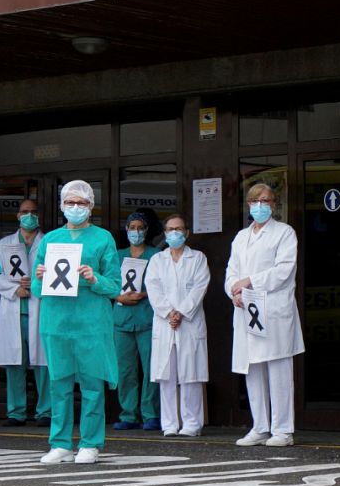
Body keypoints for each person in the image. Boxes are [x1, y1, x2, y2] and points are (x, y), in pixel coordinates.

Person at [31, 180, 122, 463]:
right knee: (59, 382)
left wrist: (95, 279)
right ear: (61, 206)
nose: (75, 208)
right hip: (57, 320)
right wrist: (39, 276)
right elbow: (36, 290)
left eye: (81, 203)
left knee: (92, 383)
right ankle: (59, 443)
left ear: (91, 206)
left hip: (91, 319)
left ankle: (90, 442)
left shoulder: (102, 238)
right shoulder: (49, 240)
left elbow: (115, 286)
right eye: (70, 203)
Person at [227, 181, 305, 447]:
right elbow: (231, 272)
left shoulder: (284, 233)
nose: (261, 205)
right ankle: (259, 426)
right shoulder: (240, 237)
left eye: (266, 201)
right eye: (255, 201)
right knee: (253, 369)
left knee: (278, 370)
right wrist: (234, 292)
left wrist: (249, 281)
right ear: (249, 205)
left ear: (274, 205)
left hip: (273, 310)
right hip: (248, 309)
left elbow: (283, 271)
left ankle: (282, 429)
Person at [146, 214, 211, 437]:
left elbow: (199, 288)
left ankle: (192, 423)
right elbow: (153, 290)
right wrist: (168, 313)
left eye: (179, 229)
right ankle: (170, 424)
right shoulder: (157, 260)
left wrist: (181, 312)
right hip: (165, 324)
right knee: (167, 375)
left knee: (190, 375)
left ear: (187, 233)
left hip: (188, 323)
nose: (175, 233)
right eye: (171, 229)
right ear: (164, 233)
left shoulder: (198, 258)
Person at [0, 197, 49, 426]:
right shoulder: (3, 244)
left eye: (33, 211)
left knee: (43, 364)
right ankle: (16, 412)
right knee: (15, 364)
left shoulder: (48, 243)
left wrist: (36, 286)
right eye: (25, 211)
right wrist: (15, 289)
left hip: (40, 308)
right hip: (14, 308)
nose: (29, 215)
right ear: (17, 215)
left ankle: (45, 412)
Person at [112, 210, 161, 431]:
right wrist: (118, 295)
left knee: (151, 367)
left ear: (147, 230)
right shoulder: (117, 255)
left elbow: (163, 283)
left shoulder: (156, 254)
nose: (136, 232)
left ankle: (150, 413)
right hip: (121, 319)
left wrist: (145, 294)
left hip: (147, 317)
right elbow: (107, 282)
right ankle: (128, 414)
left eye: (140, 227)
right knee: (125, 370)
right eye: (132, 227)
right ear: (126, 230)